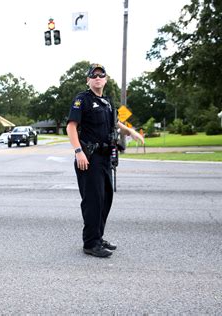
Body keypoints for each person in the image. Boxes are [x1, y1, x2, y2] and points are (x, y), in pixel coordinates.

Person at [66, 64, 144, 258]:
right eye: (94, 75)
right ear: (88, 80)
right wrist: (78, 152)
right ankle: (90, 243)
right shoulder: (82, 99)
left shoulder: (107, 102)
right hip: (88, 158)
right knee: (93, 201)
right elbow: (71, 127)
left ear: (106, 79)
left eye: (101, 75)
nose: (98, 78)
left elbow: (115, 122)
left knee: (105, 199)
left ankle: (98, 237)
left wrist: (131, 131)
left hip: (105, 158)